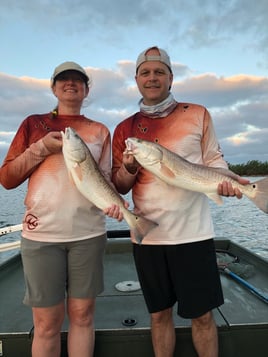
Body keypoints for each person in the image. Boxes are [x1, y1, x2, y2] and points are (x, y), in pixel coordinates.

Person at [111, 47, 249, 357]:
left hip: (194, 234)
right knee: (159, 315)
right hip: (148, 236)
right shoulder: (125, 129)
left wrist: (227, 181)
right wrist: (131, 167)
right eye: (145, 72)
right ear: (136, 79)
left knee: (202, 316)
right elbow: (118, 184)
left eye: (159, 71)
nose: (152, 77)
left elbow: (213, 158)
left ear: (171, 77)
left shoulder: (197, 113)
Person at [0, 61, 122, 357]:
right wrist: (40, 148)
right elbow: (7, 178)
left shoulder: (99, 130)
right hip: (42, 236)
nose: (71, 84)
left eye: (77, 80)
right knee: (45, 324)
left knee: (82, 315)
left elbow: (105, 181)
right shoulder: (33, 124)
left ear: (86, 89)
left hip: (88, 235)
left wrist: (116, 204)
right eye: (63, 79)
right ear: (53, 87)